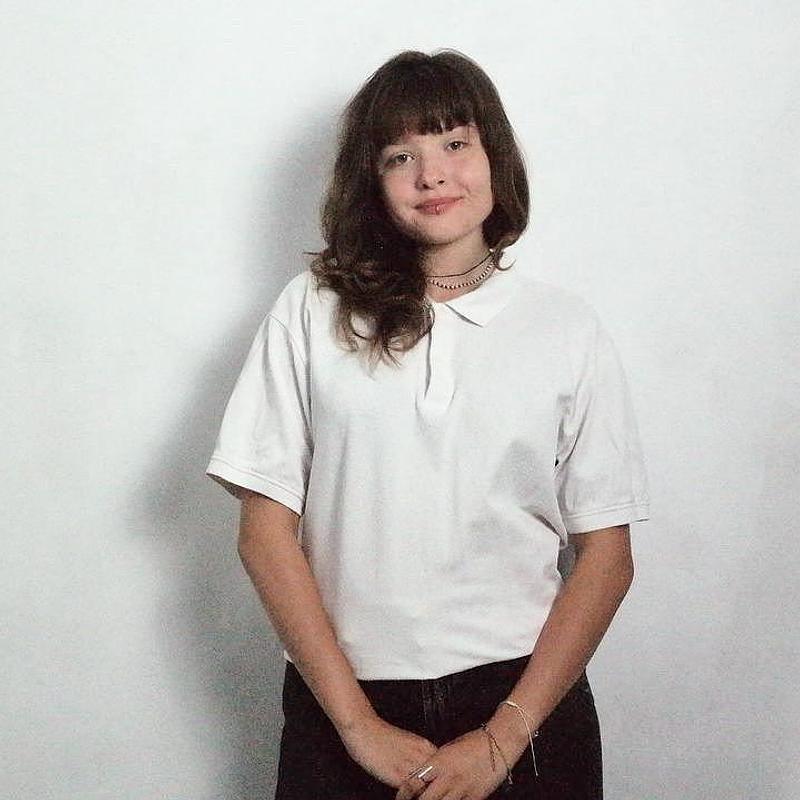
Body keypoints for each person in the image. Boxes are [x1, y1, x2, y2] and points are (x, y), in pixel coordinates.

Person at [206, 48, 650, 800]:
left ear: (494, 157)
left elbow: (607, 553)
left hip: (525, 702)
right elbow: (264, 532)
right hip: (343, 699)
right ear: (371, 181)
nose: (433, 175)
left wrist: (502, 739)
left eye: (455, 143)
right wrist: (357, 726)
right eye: (400, 156)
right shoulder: (311, 309)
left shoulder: (565, 328)